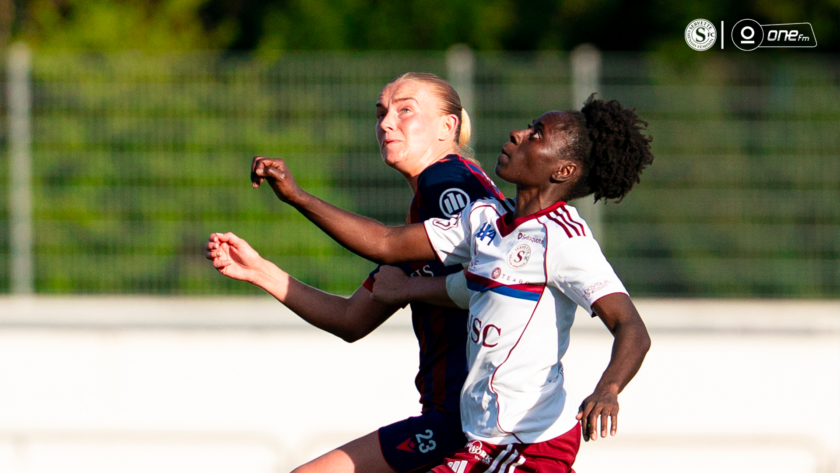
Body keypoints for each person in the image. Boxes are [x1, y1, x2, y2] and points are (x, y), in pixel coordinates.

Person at [218, 95, 654, 473]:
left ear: (563, 170)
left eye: (537, 133)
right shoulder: (484, 221)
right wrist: (298, 197)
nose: (518, 133)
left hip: (528, 445)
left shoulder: (562, 238)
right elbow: (387, 243)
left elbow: (631, 326)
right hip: (483, 437)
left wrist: (609, 388)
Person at [205, 72, 504, 473]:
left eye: (405, 110)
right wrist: (260, 271)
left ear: (447, 126)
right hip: (454, 419)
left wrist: (298, 197)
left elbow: (494, 283)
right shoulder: (422, 223)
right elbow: (352, 319)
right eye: (381, 112)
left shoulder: (448, 182)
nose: (385, 123)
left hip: (470, 423)